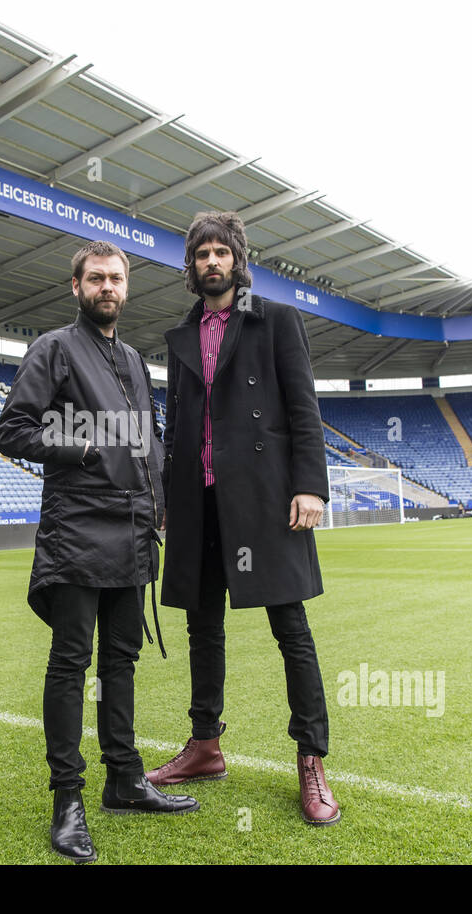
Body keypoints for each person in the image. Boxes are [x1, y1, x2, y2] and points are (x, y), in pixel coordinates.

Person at [0, 239, 199, 864]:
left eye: (116, 279)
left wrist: (162, 504)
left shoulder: (135, 360)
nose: (107, 287)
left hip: (134, 530)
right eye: (96, 279)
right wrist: (83, 447)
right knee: (70, 662)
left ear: (126, 288)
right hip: (77, 529)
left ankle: (124, 779)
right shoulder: (53, 349)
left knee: (121, 661)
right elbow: (12, 431)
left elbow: (151, 441)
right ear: (76, 287)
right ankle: (68, 800)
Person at [151, 211, 340, 825]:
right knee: (202, 626)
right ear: (191, 266)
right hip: (197, 501)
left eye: (220, 252)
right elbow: (175, 428)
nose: (211, 262)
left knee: (291, 627)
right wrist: (165, 500)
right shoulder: (180, 336)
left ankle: (311, 760)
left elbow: (303, 408)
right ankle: (205, 744)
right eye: (201, 253)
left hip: (264, 497)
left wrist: (310, 485)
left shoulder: (277, 321)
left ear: (237, 259)